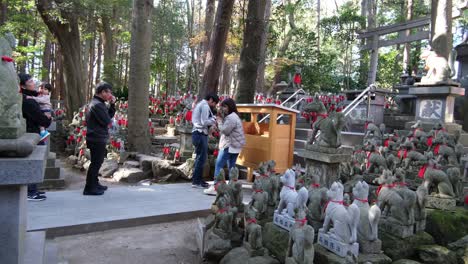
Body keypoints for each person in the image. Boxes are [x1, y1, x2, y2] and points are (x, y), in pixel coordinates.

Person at [19, 73, 52, 201]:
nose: (34, 83)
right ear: (23, 85)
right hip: (32, 135)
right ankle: (30, 192)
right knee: (34, 163)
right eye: (31, 81)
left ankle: (33, 189)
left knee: (36, 163)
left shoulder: (31, 98)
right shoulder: (28, 101)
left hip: (34, 133)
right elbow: (43, 120)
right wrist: (48, 119)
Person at [204, 98, 245, 195]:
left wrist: (219, 121)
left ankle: (216, 187)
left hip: (229, 145)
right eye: (222, 106)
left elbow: (225, 130)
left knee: (218, 165)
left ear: (230, 107)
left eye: (225, 106)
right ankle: (232, 187)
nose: (223, 108)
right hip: (234, 145)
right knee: (231, 167)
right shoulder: (234, 116)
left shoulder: (231, 118)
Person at [84, 82, 116, 195]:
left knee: (97, 162)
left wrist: (112, 105)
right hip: (96, 137)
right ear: (102, 92)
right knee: (96, 163)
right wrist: (111, 105)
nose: (110, 95)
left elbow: (108, 116)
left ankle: (95, 183)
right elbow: (107, 120)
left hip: (96, 137)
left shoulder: (98, 103)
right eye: (109, 92)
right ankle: (89, 188)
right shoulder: (97, 105)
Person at [191, 93, 219, 188]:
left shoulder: (200, 104)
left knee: (200, 158)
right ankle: (196, 181)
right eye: (214, 103)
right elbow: (204, 122)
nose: (214, 105)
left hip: (197, 133)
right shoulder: (205, 106)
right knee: (201, 158)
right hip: (200, 133)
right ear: (211, 100)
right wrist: (214, 119)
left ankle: (197, 179)